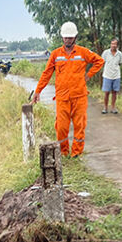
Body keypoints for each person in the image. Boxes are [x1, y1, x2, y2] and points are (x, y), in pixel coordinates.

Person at [31, 21, 104, 157]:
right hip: (62, 97)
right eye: (66, 37)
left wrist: (88, 75)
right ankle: (64, 152)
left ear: (75, 38)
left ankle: (76, 153)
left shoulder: (83, 52)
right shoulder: (55, 54)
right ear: (62, 38)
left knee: (79, 126)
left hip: (79, 96)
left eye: (70, 37)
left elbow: (99, 61)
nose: (68, 40)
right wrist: (38, 91)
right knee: (61, 127)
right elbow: (46, 73)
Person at [101, 38, 122, 114]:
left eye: (115, 44)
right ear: (110, 44)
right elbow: (102, 62)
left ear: (117, 45)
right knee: (106, 92)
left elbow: (120, 63)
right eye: (112, 44)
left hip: (116, 76)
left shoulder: (119, 54)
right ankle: (105, 107)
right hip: (107, 75)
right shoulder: (105, 53)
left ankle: (113, 107)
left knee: (114, 92)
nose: (113, 45)